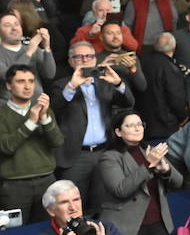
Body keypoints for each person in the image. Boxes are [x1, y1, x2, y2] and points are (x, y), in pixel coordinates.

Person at [53, 43, 134, 202]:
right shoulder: (62, 85)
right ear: (70, 61)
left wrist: (117, 83)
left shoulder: (105, 82)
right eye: (78, 56)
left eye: (89, 56)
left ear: (95, 60)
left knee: (104, 200)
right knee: (75, 203)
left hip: (105, 151)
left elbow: (128, 103)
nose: (84, 60)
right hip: (76, 156)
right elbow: (54, 110)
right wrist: (72, 86)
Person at [0, 65, 63, 225]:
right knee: (14, 233)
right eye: (21, 81)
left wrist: (44, 118)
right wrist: (31, 122)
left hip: (47, 179)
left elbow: (57, 141)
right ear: (9, 85)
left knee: (49, 229)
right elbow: (6, 147)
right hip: (15, 185)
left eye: (31, 81)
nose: (28, 86)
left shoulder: (45, 110)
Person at [0, 11, 54, 105]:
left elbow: (49, 74)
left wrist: (47, 47)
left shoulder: (33, 49)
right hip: (9, 108)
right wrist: (29, 52)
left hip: (37, 103)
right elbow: (9, 76)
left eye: (16, 24)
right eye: (7, 25)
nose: (14, 28)